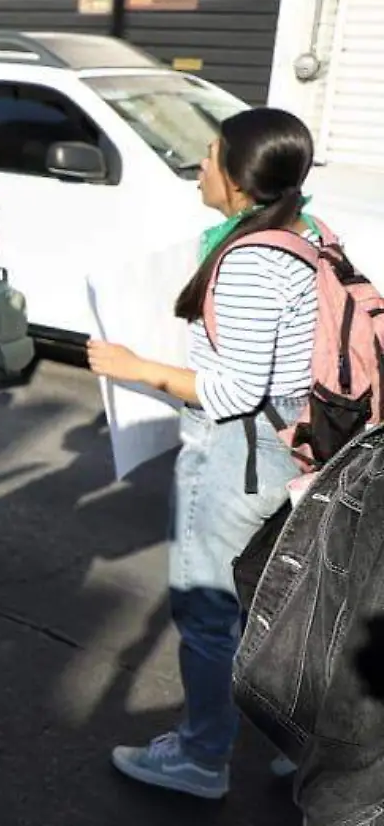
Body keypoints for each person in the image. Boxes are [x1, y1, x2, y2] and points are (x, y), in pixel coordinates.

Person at [88, 107, 319, 800]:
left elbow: (235, 388)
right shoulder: (305, 233)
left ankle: (200, 756)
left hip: (238, 454)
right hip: (294, 446)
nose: (199, 166)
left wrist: (136, 367)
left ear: (240, 179)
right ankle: (301, 745)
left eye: (210, 155)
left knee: (208, 610)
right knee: (274, 607)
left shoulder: (249, 259)